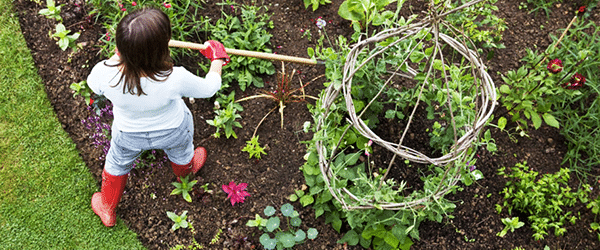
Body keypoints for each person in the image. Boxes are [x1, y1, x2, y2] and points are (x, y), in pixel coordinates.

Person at [87, 7, 230, 227]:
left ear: (119, 47)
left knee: (117, 163)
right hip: (172, 129)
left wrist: (119, 57)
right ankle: (186, 170)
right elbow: (210, 88)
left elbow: (93, 85)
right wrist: (217, 59)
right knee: (181, 151)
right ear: (162, 49)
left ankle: (107, 208)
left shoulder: (105, 73)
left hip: (128, 133)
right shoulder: (176, 77)